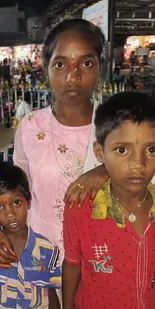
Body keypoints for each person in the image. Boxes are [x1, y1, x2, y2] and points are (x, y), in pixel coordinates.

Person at [0, 19, 108, 267]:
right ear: (45, 67)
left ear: (100, 66)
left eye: (86, 63)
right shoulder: (30, 127)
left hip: (100, 258)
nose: (73, 76)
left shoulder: (116, 127)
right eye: (60, 64)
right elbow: (16, 192)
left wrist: (105, 170)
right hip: (39, 255)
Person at [63, 91, 155, 309]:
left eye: (151, 149)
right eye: (122, 150)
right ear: (99, 153)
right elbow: (72, 265)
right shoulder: (80, 208)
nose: (138, 164)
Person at [0, 162, 61, 309]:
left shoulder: (47, 250)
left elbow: (50, 293)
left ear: (28, 202)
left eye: (16, 202)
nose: (10, 214)